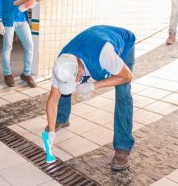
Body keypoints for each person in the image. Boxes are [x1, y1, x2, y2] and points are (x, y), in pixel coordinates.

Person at [45, 25, 136, 172]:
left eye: (76, 80)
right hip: (91, 42)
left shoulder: (104, 55)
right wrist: (50, 131)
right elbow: (53, 99)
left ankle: (123, 147)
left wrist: (93, 86)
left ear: (80, 71)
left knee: (123, 92)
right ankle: (61, 118)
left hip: (123, 44)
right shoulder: (62, 63)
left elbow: (127, 76)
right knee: (62, 89)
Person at [0, 0, 39, 88]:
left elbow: (24, 1)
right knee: (8, 47)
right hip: (8, 20)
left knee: (30, 46)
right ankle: (7, 74)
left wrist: (30, 4)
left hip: (22, 19)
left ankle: (26, 74)